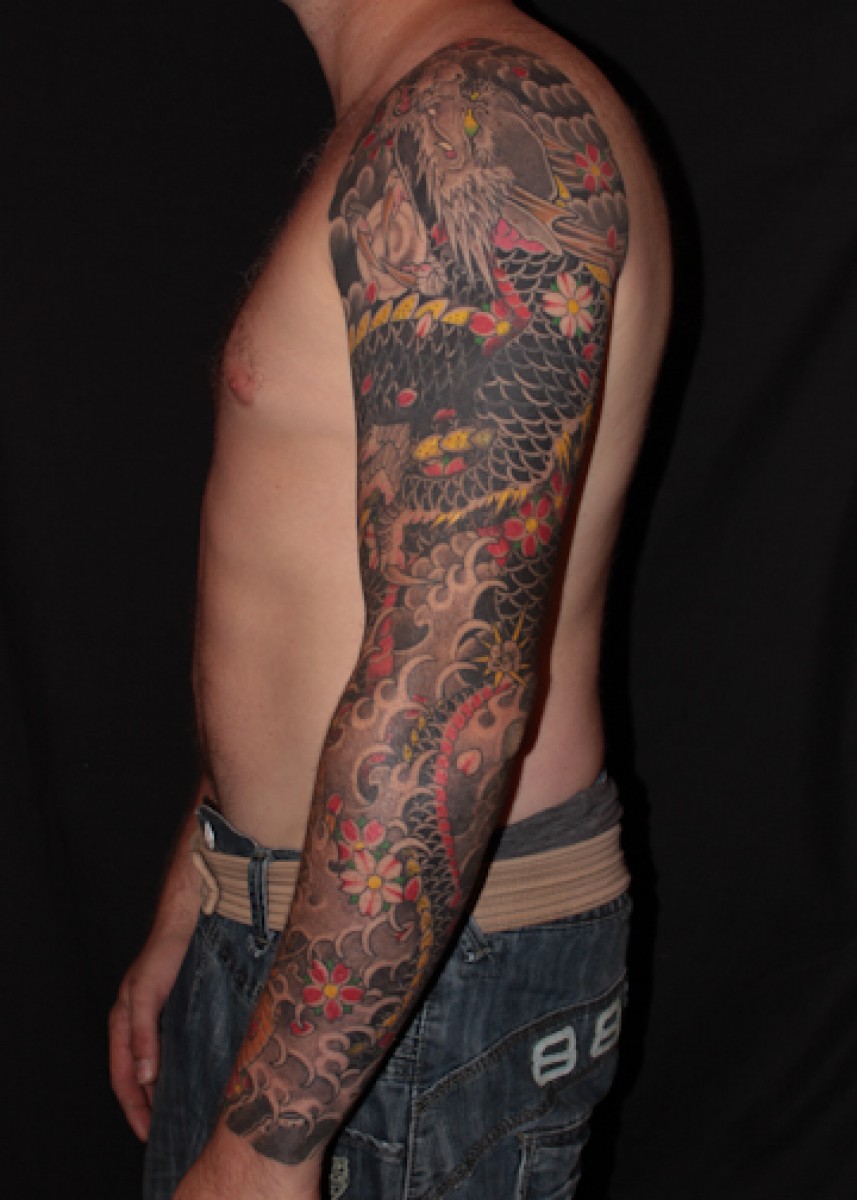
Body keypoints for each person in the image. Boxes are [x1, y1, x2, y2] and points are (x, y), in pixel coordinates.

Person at [109, 1, 671, 1196]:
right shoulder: (421, 104)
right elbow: (334, 594)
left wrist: (267, 1151)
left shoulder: (476, 117)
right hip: (323, 947)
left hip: (410, 988)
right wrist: (204, 885)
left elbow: (453, 680)